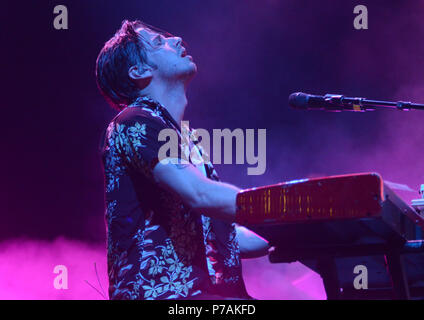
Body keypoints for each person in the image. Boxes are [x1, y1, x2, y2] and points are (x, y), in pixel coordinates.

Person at [95, 20, 269, 300]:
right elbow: (200, 194)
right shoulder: (134, 121)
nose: (176, 39)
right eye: (157, 43)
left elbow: (223, 235)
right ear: (138, 71)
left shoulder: (188, 142)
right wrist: (281, 208)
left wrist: (296, 231)